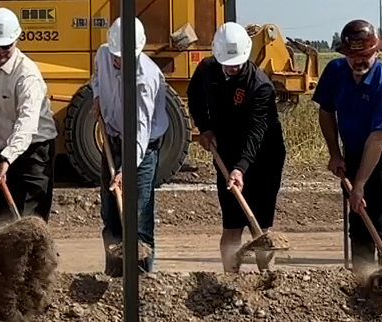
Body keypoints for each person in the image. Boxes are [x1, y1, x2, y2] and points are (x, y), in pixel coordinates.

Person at [313, 19, 382, 273]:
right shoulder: (335, 71)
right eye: (352, 55)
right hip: (355, 151)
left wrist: (359, 186)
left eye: (365, 55)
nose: (359, 61)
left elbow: (377, 139)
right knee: (357, 221)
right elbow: (326, 112)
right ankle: (362, 278)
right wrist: (335, 154)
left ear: (376, 52)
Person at [188, 22, 287, 273]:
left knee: (261, 226)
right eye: (227, 62)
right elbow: (195, 97)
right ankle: (230, 279)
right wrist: (205, 128)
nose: (232, 67)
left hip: (264, 155)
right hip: (226, 148)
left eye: (237, 62)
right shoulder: (206, 70)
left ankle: (268, 280)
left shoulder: (260, 86)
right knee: (232, 224)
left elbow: (256, 132)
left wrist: (240, 168)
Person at [92, 17, 172, 277]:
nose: (117, 61)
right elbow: (96, 78)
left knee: (138, 216)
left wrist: (126, 170)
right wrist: (96, 97)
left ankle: (141, 277)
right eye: (115, 55)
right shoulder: (103, 55)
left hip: (142, 148)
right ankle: (114, 275)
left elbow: (140, 131)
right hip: (113, 139)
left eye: (123, 56)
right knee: (111, 213)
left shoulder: (146, 79)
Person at [0, 8, 57, 235]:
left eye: (5, 46)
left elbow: (26, 124)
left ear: (16, 41)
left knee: (27, 219)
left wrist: (6, 160)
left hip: (34, 151)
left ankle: (31, 269)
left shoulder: (27, 75)